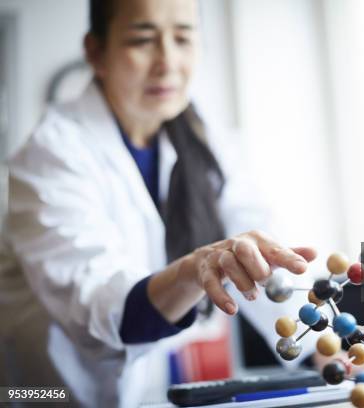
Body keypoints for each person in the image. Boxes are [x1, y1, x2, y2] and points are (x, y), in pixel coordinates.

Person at [0, 0, 318, 406]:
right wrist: (192, 270)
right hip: (43, 393)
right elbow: (103, 306)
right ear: (96, 52)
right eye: (142, 39)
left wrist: (325, 347)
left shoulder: (206, 139)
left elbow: (262, 248)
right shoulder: (52, 152)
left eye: (183, 38)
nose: (167, 62)